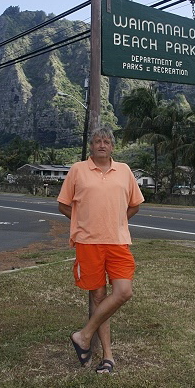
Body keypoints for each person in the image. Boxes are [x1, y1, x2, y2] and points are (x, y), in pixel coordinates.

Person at [57, 125, 144, 374]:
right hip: (88, 243)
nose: (102, 145)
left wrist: (117, 221)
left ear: (113, 146)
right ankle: (108, 357)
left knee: (123, 292)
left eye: (106, 141)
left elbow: (135, 205)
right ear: (91, 146)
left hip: (117, 242)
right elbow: (63, 205)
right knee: (97, 297)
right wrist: (82, 222)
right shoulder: (78, 170)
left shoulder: (124, 171)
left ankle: (83, 336)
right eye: (97, 141)